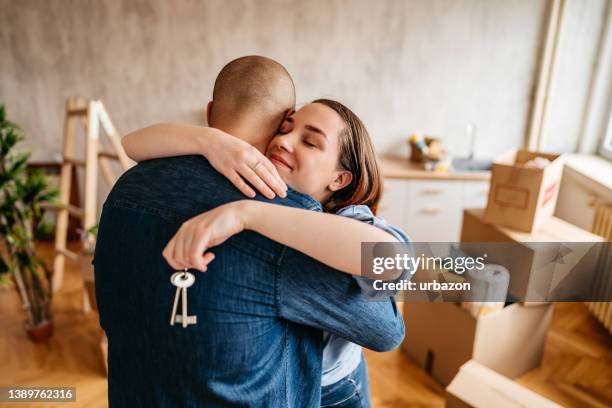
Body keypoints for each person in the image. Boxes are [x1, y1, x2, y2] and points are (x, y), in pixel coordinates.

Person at [94, 56, 405, 407]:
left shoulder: (127, 186)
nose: (286, 142)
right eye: (286, 129)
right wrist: (212, 145)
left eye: (311, 141)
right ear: (275, 124)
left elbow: (396, 266)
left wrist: (247, 212)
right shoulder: (281, 217)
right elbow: (387, 329)